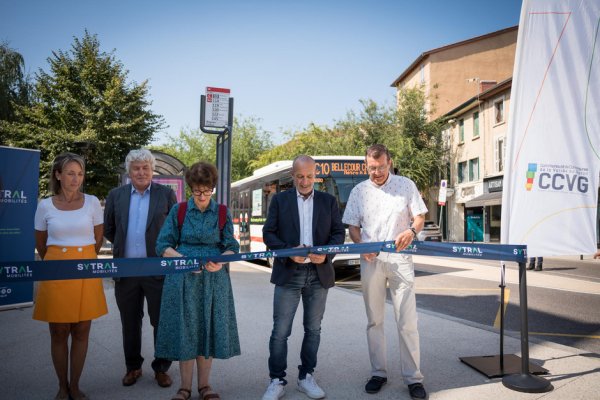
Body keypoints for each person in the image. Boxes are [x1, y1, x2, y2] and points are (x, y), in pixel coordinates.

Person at [342, 144, 428, 400]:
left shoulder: (406, 185)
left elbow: (420, 217)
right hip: (371, 261)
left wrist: (411, 232)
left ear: (389, 162)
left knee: (407, 321)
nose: (376, 172)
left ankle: (413, 378)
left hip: (401, 260)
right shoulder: (359, 191)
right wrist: (360, 245)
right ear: (366, 165)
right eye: (371, 168)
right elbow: (353, 227)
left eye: (380, 167)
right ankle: (378, 373)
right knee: (374, 320)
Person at [261, 155, 345, 400]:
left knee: (313, 329)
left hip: (319, 275)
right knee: (280, 331)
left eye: (309, 176)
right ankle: (276, 380)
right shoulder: (280, 200)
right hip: (289, 273)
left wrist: (326, 255)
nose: (305, 181)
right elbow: (269, 234)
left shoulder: (328, 201)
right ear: (293, 175)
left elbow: (338, 234)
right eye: (300, 176)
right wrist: (289, 252)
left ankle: (306, 376)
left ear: (315, 175)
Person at [154, 161, 240, 400]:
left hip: (214, 280)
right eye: (197, 191)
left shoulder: (222, 212)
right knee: (186, 330)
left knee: (207, 329)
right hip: (183, 279)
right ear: (191, 188)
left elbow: (233, 247)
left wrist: (221, 261)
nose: (202, 196)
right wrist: (183, 260)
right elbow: (162, 245)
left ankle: (204, 386)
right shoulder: (179, 211)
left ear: (212, 187)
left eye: (207, 190)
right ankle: (184, 387)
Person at [33, 152, 108, 400]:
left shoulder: (93, 202)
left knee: (82, 329)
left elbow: (97, 240)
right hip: (56, 271)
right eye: (70, 173)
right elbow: (41, 244)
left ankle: (74, 385)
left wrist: (83, 258)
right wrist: (60, 262)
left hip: (85, 268)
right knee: (58, 331)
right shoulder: (44, 205)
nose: (76, 179)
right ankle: (61, 386)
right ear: (58, 175)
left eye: (80, 174)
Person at [104, 149, 176, 388]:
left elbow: (174, 231)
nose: (141, 172)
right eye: (136, 168)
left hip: (158, 270)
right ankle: (133, 367)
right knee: (130, 323)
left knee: (161, 321)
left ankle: (162, 368)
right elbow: (110, 229)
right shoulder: (116, 195)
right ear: (129, 171)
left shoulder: (166, 195)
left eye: (146, 167)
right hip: (126, 271)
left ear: (152, 170)